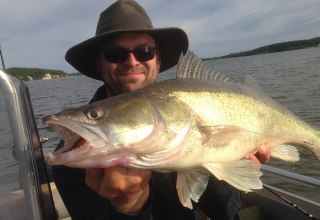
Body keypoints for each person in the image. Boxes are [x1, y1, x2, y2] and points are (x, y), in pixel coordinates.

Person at [52, 0, 271, 219]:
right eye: (114, 53)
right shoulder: (74, 157)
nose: (131, 61)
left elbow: (224, 211)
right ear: (99, 63)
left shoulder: (188, 109)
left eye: (145, 51)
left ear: (157, 60)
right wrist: (128, 206)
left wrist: (226, 165)